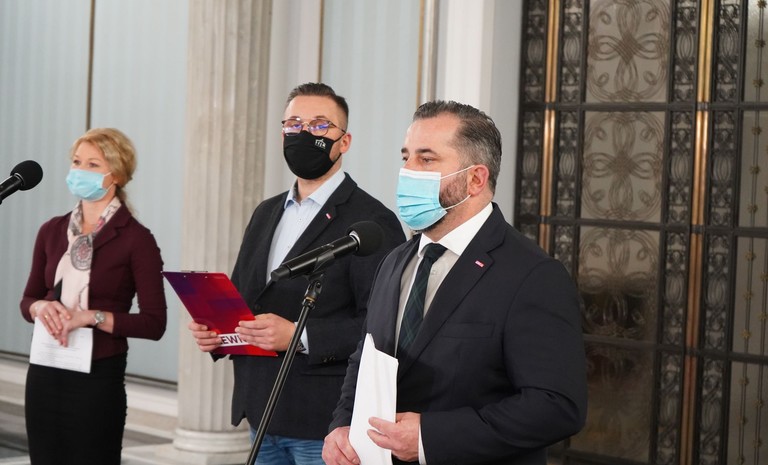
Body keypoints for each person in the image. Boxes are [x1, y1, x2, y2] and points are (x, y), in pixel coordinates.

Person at [323, 101, 588, 465]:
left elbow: (557, 406)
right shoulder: (395, 260)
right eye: (406, 157)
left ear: (475, 179)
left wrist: (429, 438)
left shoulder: (533, 275)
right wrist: (344, 424)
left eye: (426, 159)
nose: (407, 171)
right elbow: (365, 357)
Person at [188, 82, 405, 465]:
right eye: (294, 124)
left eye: (320, 125)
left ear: (344, 141)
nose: (304, 134)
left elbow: (383, 327)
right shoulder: (266, 212)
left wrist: (299, 336)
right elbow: (248, 299)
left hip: (322, 421)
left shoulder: (372, 221)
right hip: (260, 411)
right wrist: (219, 333)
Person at [20, 127, 167, 465]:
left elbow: (154, 323)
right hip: (45, 370)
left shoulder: (136, 239)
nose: (80, 171)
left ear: (116, 175)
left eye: (92, 164)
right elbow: (27, 301)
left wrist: (90, 317)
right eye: (76, 162)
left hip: (96, 378)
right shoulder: (51, 230)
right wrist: (41, 307)